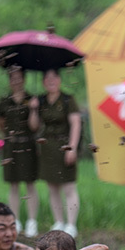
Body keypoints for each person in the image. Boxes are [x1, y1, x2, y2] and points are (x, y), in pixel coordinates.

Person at [30, 69, 81, 238]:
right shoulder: (41, 100)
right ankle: (58, 221)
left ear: (59, 80)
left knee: (68, 186)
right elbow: (35, 127)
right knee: (52, 186)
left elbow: (76, 124)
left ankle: (71, 224)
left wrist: (72, 147)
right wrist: (34, 109)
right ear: (43, 81)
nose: (51, 81)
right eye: (47, 78)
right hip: (47, 146)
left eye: (54, 77)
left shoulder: (68, 99)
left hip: (64, 145)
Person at [0, 67, 39, 238]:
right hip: (11, 146)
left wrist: (34, 109)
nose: (16, 81)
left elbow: (35, 127)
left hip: (27, 145)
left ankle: (32, 221)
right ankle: (15, 220)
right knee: (13, 184)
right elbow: (1, 124)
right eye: (12, 78)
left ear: (24, 79)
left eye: (19, 78)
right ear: (9, 80)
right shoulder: (4, 101)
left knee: (29, 184)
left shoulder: (31, 100)